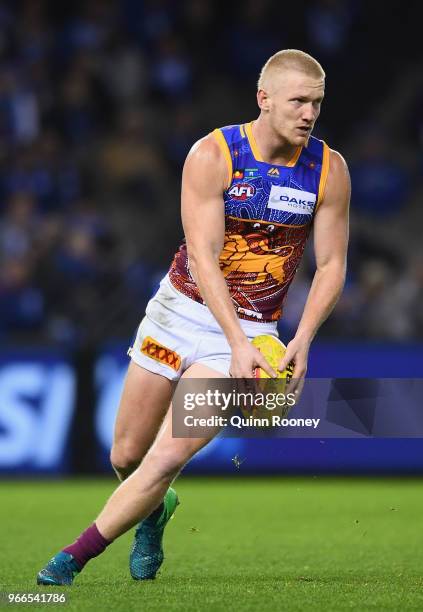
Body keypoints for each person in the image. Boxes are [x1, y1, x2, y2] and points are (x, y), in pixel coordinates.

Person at [37, 49, 350, 585]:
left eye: (316, 103)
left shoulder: (329, 170)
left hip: (252, 331)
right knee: (127, 455)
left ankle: (71, 559)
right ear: (264, 99)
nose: (309, 114)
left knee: (165, 455)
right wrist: (232, 338)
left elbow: (333, 264)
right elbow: (203, 257)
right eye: (298, 101)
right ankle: (155, 513)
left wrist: (300, 339)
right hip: (178, 313)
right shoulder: (213, 154)